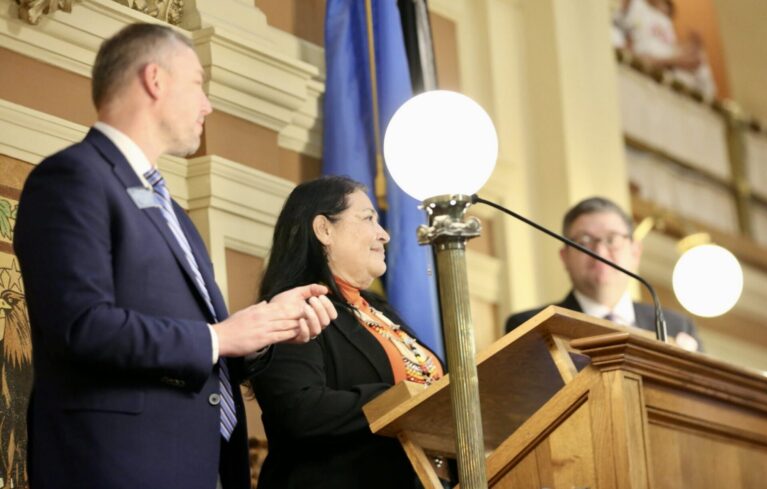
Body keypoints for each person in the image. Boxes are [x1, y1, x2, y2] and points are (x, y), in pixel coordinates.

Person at [13, 23, 336, 489]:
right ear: (155, 80)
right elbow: (81, 327)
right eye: (199, 84)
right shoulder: (72, 178)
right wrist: (219, 337)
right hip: (117, 467)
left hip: (196, 467)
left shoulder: (176, 215)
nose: (207, 104)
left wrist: (267, 328)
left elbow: (207, 344)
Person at [247, 176, 447, 489]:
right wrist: (400, 399)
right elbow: (299, 410)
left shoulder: (380, 311)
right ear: (324, 230)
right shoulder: (296, 307)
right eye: (368, 218)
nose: (384, 235)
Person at [505, 197, 702, 352]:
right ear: (565, 257)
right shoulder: (532, 327)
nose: (599, 252)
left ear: (635, 252)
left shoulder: (677, 326)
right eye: (584, 241)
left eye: (611, 239)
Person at [620, 0, 716, 99]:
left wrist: (690, 51)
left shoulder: (665, 22)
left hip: (669, 89)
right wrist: (673, 61)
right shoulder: (635, 7)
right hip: (643, 82)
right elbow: (634, 57)